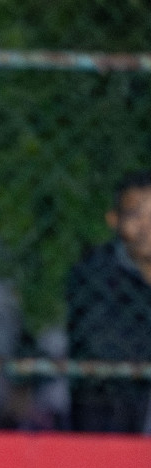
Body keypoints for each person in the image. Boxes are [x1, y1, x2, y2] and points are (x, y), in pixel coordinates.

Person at [66, 170, 151, 434]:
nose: (147, 226)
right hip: (115, 401)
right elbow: (100, 343)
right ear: (114, 220)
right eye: (135, 214)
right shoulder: (93, 274)